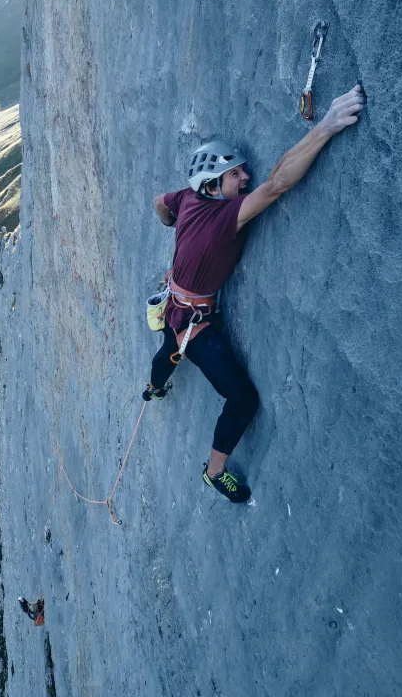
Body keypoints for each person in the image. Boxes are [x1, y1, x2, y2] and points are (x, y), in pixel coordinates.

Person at [145, 83, 366, 504]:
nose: (246, 178)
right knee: (243, 399)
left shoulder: (189, 199)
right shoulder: (224, 218)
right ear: (213, 184)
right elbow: (278, 183)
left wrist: (170, 223)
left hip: (176, 308)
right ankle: (213, 472)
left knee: (168, 350)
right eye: (235, 174)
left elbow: (161, 203)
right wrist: (326, 127)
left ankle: (154, 390)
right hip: (196, 324)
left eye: (242, 171)